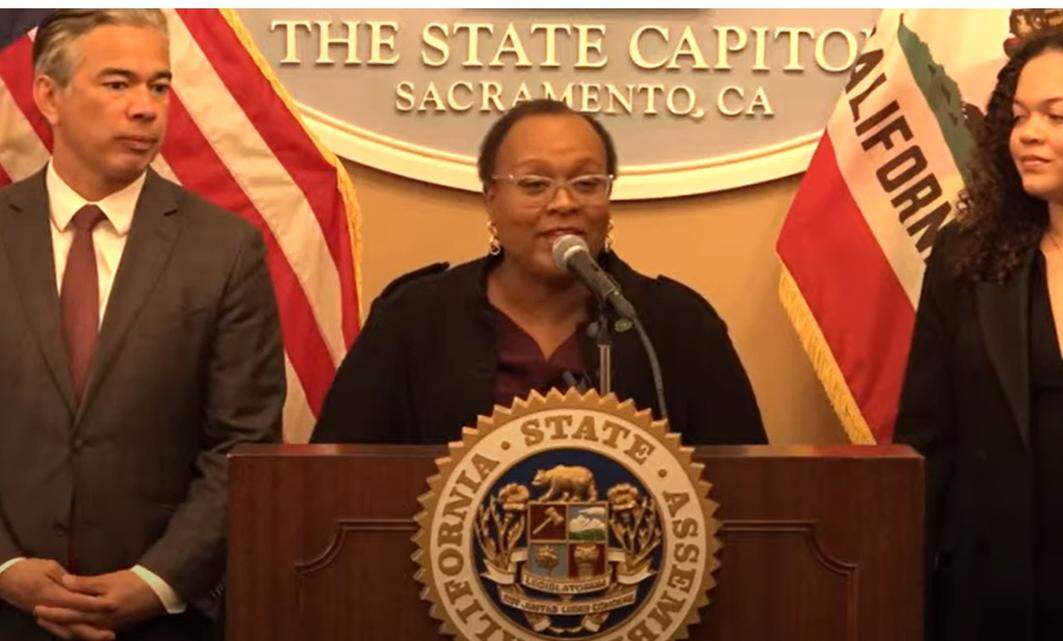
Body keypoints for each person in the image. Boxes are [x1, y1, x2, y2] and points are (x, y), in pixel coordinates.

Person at [0, 10, 284, 641]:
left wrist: (158, 580)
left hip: (159, 620)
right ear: (48, 95)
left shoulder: (225, 249)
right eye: (118, 83)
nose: (146, 108)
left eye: (159, 86)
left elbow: (243, 444)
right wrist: (5, 565)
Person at [312, 99, 765, 446]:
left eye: (586, 184)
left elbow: (750, 492)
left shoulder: (676, 325)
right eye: (534, 184)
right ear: (491, 197)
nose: (564, 203)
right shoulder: (413, 319)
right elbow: (336, 477)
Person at [895, 26, 1063, 641]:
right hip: (990, 595)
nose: (1028, 133)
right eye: (1019, 116)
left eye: (1056, 116)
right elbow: (928, 441)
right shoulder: (965, 257)